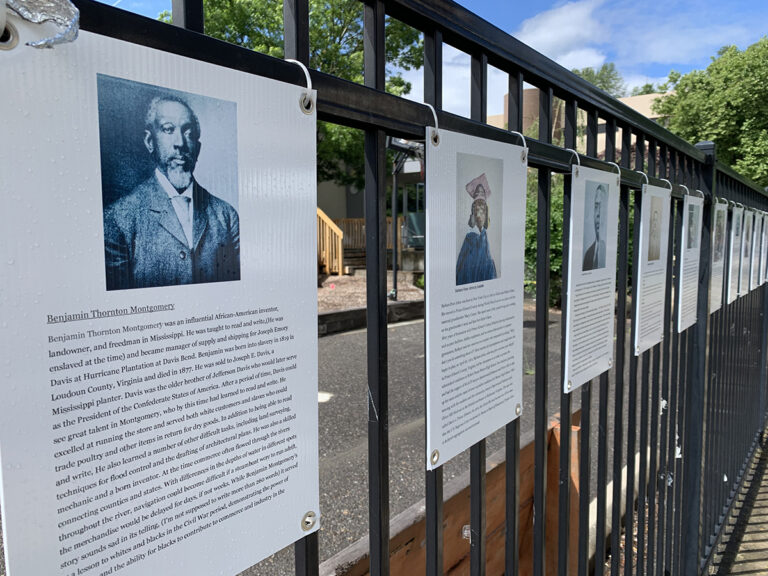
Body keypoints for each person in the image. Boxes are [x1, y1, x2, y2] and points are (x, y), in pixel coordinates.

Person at [104, 94, 240, 290]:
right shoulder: (119, 218)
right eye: (168, 130)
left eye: (188, 133)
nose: (180, 143)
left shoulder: (226, 217)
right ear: (150, 141)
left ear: (198, 148)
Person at [456, 176, 497, 285]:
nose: (480, 214)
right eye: (477, 209)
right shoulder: (470, 238)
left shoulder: (485, 236)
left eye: (483, 209)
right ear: (472, 213)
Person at [583, 184, 607, 271]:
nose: (598, 214)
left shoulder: (607, 251)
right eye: (596, 206)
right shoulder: (588, 254)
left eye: (602, 207)